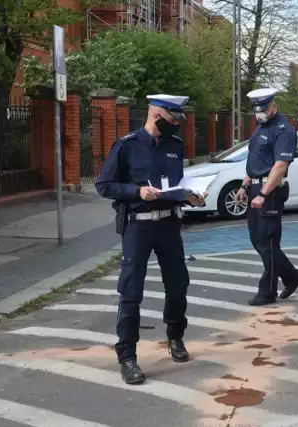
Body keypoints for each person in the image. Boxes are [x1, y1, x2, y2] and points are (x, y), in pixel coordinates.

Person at [95, 94, 206, 385]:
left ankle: (175, 337)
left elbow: (177, 185)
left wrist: (190, 197)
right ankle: (128, 357)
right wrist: (136, 192)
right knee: (131, 292)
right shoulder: (127, 145)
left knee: (178, 283)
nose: (177, 125)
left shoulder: (174, 146)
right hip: (138, 227)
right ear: (156, 114)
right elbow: (104, 185)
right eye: (173, 119)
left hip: (169, 224)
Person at [234, 88, 298, 306]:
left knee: (267, 240)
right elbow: (256, 163)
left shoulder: (284, 130)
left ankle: (267, 291)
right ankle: (292, 276)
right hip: (256, 188)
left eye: (263, 109)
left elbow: (280, 165)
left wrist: (264, 194)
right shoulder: (260, 129)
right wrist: (244, 186)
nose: (260, 113)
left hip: (271, 191)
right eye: (257, 110)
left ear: (273, 106)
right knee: (258, 239)